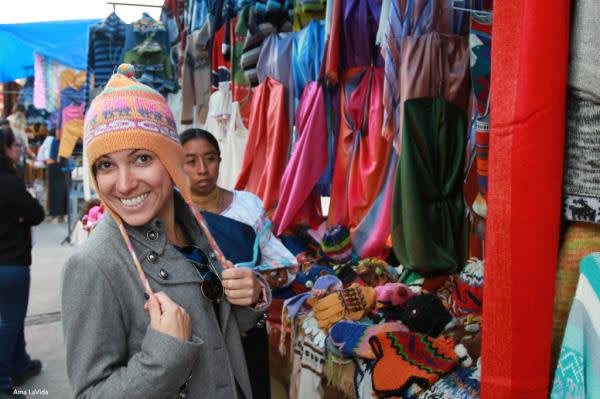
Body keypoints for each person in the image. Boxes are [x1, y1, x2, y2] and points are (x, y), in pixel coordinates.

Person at [61, 64, 271, 399]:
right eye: (106, 165)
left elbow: (218, 333)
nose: (125, 184)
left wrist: (251, 296)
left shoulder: (199, 232)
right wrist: (163, 355)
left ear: (172, 162)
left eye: (142, 158)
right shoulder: (93, 265)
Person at [181, 128, 298, 399]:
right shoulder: (174, 212)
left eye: (209, 158)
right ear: (178, 164)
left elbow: (283, 264)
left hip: (248, 325)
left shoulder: (246, 206)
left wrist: (263, 282)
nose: (202, 169)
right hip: (199, 331)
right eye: (190, 161)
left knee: (252, 388)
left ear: (220, 160)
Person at [0, 126, 45, 399]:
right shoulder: (8, 182)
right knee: (8, 324)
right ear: (4, 150)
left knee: (13, 320)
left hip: (9, 263)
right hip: (11, 264)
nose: (19, 149)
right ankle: (3, 385)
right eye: (15, 145)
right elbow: (37, 213)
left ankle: (20, 364)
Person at [36, 130, 68, 223]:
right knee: (62, 190)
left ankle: (56, 215)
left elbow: (41, 155)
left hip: (53, 166)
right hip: (61, 166)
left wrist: (42, 161)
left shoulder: (50, 139)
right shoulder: (61, 139)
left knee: (54, 191)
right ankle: (63, 214)